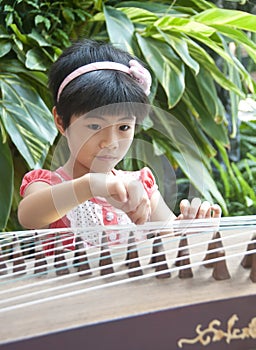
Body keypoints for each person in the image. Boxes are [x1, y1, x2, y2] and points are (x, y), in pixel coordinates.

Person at [18, 39, 221, 249]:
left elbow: (170, 238)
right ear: (61, 121)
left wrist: (190, 228)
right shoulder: (46, 185)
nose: (111, 143)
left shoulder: (141, 187)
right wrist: (91, 185)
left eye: (124, 127)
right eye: (95, 126)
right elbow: (29, 216)